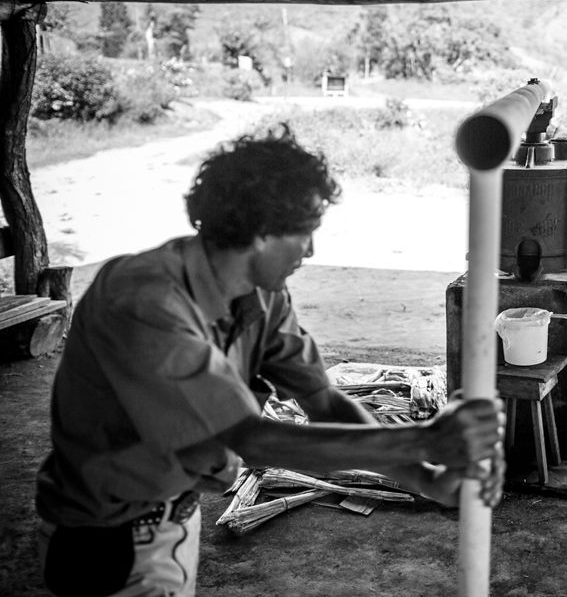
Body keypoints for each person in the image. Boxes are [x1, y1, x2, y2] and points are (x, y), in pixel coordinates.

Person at [34, 124, 505, 597]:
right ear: (262, 231)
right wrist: (422, 440)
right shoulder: (145, 301)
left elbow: (323, 401)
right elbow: (254, 440)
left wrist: (426, 478)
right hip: (104, 539)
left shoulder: (261, 295)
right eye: (305, 233)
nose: (312, 251)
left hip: (174, 513)